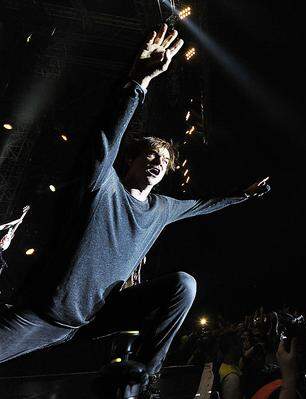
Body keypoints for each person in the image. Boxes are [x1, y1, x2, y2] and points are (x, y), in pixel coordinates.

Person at [0, 24, 270, 396]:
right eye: (151, 156)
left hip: (98, 315)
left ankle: (146, 376)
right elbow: (105, 137)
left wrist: (244, 196)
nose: (158, 163)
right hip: (45, 315)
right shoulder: (103, 184)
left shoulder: (163, 208)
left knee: (184, 284)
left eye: (164, 161)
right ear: (129, 161)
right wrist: (138, 82)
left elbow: (205, 204)